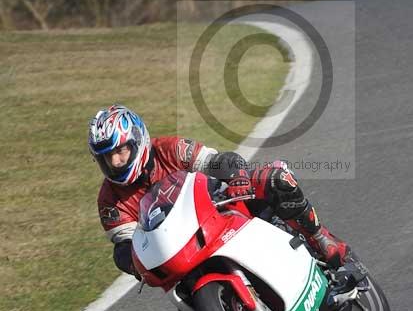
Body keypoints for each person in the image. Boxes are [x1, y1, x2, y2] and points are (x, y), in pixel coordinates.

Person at [88, 104, 353, 279]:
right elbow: (124, 247)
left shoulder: (170, 149)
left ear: (138, 140)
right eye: (105, 158)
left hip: (220, 211)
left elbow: (217, 161)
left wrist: (237, 176)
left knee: (275, 177)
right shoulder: (109, 200)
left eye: (120, 152)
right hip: (182, 253)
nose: (115, 163)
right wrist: (134, 263)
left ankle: (320, 238)